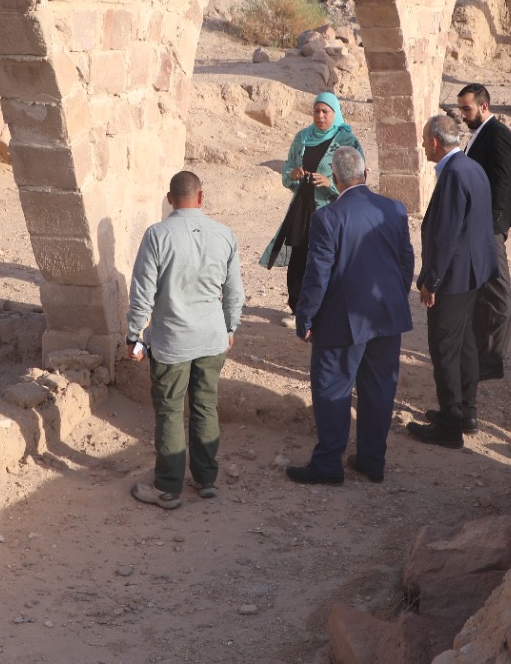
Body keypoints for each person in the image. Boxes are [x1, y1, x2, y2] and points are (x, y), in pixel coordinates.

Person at [286, 146, 415, 485]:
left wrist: (306, 317)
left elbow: (318, 276)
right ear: (366, 174)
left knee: (333, 386)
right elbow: (405, 263)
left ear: (337, 179)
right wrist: (394, 299)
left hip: (342, 320)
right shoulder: (395, 209)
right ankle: (372, 459)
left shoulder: (328, 218)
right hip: (386, 315)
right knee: (379, 389)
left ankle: (328, 463)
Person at [126, 171, 245, 508]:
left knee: (170, 411)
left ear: (169, 199)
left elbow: (142, 294)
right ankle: (206, 480)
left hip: (171, 342)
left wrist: (134, 336)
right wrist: (229, 328)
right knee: (205, 406)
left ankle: (167, 488)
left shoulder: (157, 235)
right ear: (201, 197)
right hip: (211, 339)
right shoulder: (224, 235)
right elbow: (235, 292)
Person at [410, 114, 496, 448]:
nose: (421, 145)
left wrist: (431, 280)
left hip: (455, 276)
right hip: (474, 271)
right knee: (465, 344)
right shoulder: (471, 167)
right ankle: (466, 413)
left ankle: (450, 424)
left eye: (423, 139)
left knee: (444, 347)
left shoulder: (453, 175)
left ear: (434, 141)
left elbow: (445, 234)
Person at [260, 92, 363, 310]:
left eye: (325, 111)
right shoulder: (303, 137)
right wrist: (293, 174)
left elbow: (359, 177)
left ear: (335, 113)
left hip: (332, 210)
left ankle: (326, 308)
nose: (320, 116)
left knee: (327, 257)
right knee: (299, 257)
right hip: (303, 206)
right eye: (316, 111)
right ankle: (296, 308)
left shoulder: (347, 141)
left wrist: (330, 184)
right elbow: (288, 167)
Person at [453, 84, 511, 381]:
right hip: (477, 226)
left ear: (484, 106)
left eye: (466, 109)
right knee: (482, 293)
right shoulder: (478, 134)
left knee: (497, 293)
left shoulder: (499, 134)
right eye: (461, 109)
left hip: (488, 228)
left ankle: (493, 360)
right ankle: (481, 355)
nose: (462, 115)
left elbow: (504, 183)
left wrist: (492, 226)